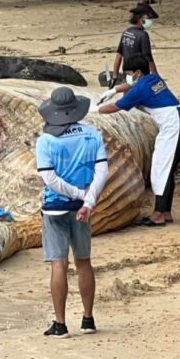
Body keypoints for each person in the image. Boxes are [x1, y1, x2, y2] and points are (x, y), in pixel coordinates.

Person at [36, 87, 108, 338]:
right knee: (84, 261)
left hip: (56, 207)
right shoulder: (92, 134)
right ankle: (88, 320)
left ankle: (60, 324)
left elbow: (49, 178)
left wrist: (76, 194)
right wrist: (87, 200)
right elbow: (101, 171)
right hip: (83, 209)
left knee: (59, 263)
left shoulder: (46, 140)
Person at [98, 54, 180, 226]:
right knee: (166, 167)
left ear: (137, 73)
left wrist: (96, 109)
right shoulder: (153, 78)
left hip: (175, 126)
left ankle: (158, 214)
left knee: (161, 167)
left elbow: (115, 107)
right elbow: (131, 85)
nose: (127, 77)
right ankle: (165, 212)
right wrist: (115, 90)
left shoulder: (140, 89)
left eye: (128, 73)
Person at [110, 2, 159, 89]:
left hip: (127, 75)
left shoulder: (126, 32)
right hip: (140, 76)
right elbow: (148, 58)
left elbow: (119, 55)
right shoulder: (143, 35)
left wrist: (115, 75)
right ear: (142, 19)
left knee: (128, 98)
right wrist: (156, 77)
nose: (150, 22)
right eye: (149, 19)